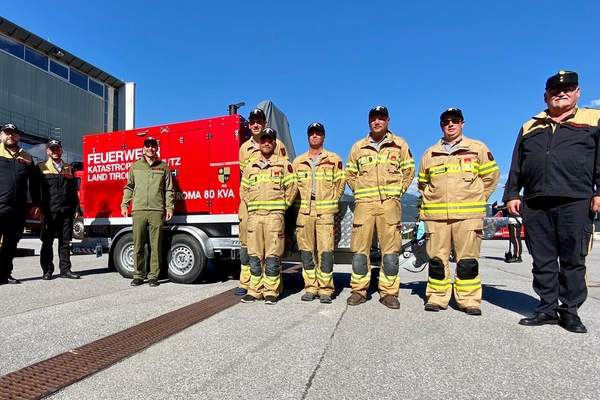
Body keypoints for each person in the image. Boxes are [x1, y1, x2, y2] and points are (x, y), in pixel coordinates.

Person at [503, 70, 599, 334]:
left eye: (568, 89)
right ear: (545, 96)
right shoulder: (530, 125)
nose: (561, 93)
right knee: (542, 259)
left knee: (572, 258)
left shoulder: (593, 119)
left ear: (577, 92)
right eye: (555, 91)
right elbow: (517, 164)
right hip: (535, 200)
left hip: (575, 198)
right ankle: (546, 308)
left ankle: (569, 311)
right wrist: (512, 194)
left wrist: (599, 192)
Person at [418, 108, 499, 315]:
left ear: (463, 123)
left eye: (455, 120)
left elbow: (491, 177)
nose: (450, 124)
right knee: (436, 260)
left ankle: (469, 300)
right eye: (446, 122)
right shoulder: (430, 153)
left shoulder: (477, 149)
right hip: (437, 218)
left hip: (468, 217)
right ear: (441, 126)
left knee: (468, 261)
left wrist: (478, 199)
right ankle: (437, 297)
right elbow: (423, 184)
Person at [345, 106, 415, 309]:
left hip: (389, 205)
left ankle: (389, 293)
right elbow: (350, 173)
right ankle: (358, 291)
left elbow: (409, 171)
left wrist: (396, 193)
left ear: (388, 121)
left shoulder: (399, 145)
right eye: (373, 119)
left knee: (391, 251)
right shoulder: (358, 147)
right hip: (365, 205)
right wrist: (359, 191)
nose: (377, 122)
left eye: (381, 119)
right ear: (369, 122)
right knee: (360, 251)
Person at [240, 127, 297, 305]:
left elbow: (292, 188)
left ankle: (271, 291)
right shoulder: (251, 167)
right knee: (255, 255)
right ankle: (255, 290)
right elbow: (244, 190)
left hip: (274, 217)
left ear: (274, 143)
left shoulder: (284, 165)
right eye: (263, 140)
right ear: (259, 143)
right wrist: (252, 206)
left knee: (272, 255)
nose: (266, 143)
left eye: (269, 140)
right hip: (255, 217)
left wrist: (282, 206)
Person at [235, 108, 289, 296]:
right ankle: (246, 283)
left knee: (272, 247)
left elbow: (285, 173)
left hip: (272, 205)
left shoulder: (278, 144)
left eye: (259, 121)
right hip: (249, 205)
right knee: (246, 245)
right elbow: (245, 178)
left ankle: (272, 287)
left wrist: (282, 204)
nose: (255, 124)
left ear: (265, 123)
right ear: (249, 125)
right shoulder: (244, 148)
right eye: (252, 122)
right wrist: (250, 202)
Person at [293, 122, 345, 303]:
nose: (315, 136)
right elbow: (293, 187)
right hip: (304, 211)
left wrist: (331, 202)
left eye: (318, 133)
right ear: (308, 137)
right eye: (312, 134)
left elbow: (341, 184)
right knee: (307, 252)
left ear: (324, 137)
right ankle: (310, 287)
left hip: (325, 211)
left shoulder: (334, 159)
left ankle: (325, 289)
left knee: (325, 251)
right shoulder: (298, 162)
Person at [121, 137, 174, 287]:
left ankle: (153, 276)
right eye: (148, 146)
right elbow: (129, 186)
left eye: (153, 146)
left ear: (157, 148)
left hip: (157, 210)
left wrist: (169, 207)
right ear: (143, 148)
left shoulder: (163, 167)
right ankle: (138, 275)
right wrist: (125, 205)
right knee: (138, 244)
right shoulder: (135, 166)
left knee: (155, 244)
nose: (150, 148)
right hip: (138, 210)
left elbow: (169, 189)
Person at [0, 123, 41, 285]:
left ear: (18, 137)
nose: (10, 136)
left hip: (18, 208)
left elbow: (34, 183)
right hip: (0, 204)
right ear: (2, 135)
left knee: (11, 243)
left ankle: (4, 274)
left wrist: (37, 203)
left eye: (14, 134)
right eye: (7, 133)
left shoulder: (27, 157)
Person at [37, 140, 81, 280]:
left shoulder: (68, 168)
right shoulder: (41, 167)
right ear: (48, 151)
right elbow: (37, 190)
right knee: (47, 242)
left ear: (61, 150)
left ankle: (65, 269)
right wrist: (38, 207)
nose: (55, 151)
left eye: (57, 148)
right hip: (49, 211)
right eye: (52, 149)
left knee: (65, 242)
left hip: (66, 211)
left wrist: (76, 207)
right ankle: (47, 270)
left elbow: (73, 191)